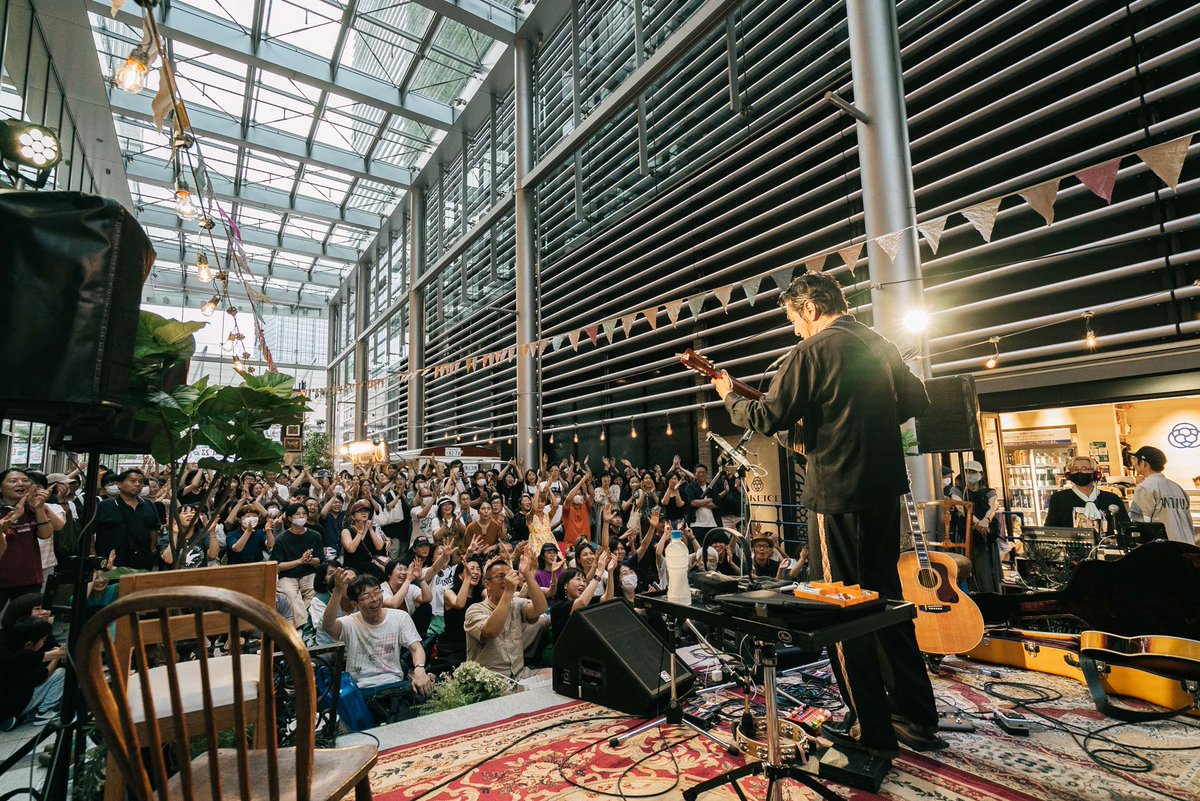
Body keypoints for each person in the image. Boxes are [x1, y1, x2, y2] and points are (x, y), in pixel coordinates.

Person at [712, 271, 941, 758]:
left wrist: (727, 395)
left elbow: (766, 417)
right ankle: (915, 715)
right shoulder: (878, 343)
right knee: (886, 602)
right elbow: (917, 400)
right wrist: (858, 420)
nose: (795, 329)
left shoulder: (811, 352)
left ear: (810, 309)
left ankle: (868, 727)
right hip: (884, 492)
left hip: (837, 493)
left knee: (841, 608)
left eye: (794, 319)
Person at [322, 570, 434, 716]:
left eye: (377, 592)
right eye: (366, 596)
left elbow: (416, 648)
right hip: (361, 689)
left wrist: (419, 669)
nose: (374, 599)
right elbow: (328, 626)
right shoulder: (350, 623)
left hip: (395, 685)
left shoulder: (400, 617)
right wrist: (337, 592)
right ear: (355, 604)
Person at [464, 552, 548, 680]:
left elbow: (540, 608)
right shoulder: (475, 610)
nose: (507, 580)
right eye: (500, 577)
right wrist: (508, 591)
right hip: (490, 679)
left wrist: (529, 577)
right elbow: (491, 631)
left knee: (554, 676)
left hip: (519, 674)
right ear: (487, 584)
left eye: (509, 576)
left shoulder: (516, 604)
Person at [0, 470, 54, 607]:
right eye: (13, 481)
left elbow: (45, 534)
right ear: (0, 487)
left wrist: (39, 509)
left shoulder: (33, 507)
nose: (21, 484)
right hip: (2, 576)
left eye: (25, 480)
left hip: (28, 578)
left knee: (24, 624)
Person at [0, 617, 65, 730]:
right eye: (41, 640)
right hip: (13, 703)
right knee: (60, 673)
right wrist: (57, 656)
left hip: (6, 703)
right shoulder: (22, 660)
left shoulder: (9, 649)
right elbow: (43, 675)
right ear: (28, 644)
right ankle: (44, 712)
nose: (43, 642)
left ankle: (19, 717)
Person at [94, 468, 161, 571]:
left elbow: (154, 528)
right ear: (119, 484)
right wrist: (94, 557)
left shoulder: (148, 504)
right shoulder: (105, 506)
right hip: (112, 562)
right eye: (133, 481)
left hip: (142, 562)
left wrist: (152, 550)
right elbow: (90, 532)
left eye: (141, 482)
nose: (138, 484)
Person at [1044, 455, 1129, 535]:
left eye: (1085, 468)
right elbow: (1050, 530)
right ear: (1069, 475)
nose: (1080, 472)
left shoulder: (1112, 499)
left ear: (1096, 474)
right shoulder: (1059, 498)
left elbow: (1126, 528)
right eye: (1075, 469)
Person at [273, 502, 325, 628]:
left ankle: (303, 624)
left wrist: (310, 560)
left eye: (304, 514)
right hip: (288, 576)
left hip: (308, 573)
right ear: (290, 518)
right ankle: (305, 626)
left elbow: (320, 559)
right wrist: (299, 561)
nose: (301, 516)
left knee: (314, 592)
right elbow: (278, 566)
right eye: (298, 514)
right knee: (290, 595)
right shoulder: (281, 539)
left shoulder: (315, 535)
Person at [1129, 446, 1194, 543]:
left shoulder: (1145, 487)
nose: (1133, 464)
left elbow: (1140, 524)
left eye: (1135, 460)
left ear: (1143, 463)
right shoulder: (1178, 488)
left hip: (1163, 549)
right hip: (1187, 546)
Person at [549, 557, 616, 644]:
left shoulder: (586, 601)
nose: (583, 584)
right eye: (578, 579)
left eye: (584, 580)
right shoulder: (558, 606)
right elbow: (582, 603)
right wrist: (599, 573)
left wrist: (610, 572)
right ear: (565, 585)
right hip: (566, 652)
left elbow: (608, 599)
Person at [960, 461, 1002, 593]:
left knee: (988, 563)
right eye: (967, 472)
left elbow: (992, 507)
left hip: (988, 531)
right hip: (967, 532)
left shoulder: (989, 491)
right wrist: (979, 523)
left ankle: (991, 592)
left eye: (973, 472)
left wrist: (986, 520)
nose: (970, 475)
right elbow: (961, 508)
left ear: (981, 474)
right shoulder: (958, 491)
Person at [435, 559, 482, 672]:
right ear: (461, 575)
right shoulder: (449, 593)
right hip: (454, 645)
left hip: (474, 642)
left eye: (478, 569)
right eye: (471, 569)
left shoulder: (481, 593)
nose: (475, 572)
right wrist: (468, 579)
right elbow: (459, 604)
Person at [341, 500, 387, 581]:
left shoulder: (373, 528)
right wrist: (361, 531)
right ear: (353, 516)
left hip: (370, 567)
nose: (364, 513)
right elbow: (351, 549)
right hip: (353, 567)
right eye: (360, 511)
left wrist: (370, 529)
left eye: (366, 511)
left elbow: (379, 546)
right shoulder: (347, 531)